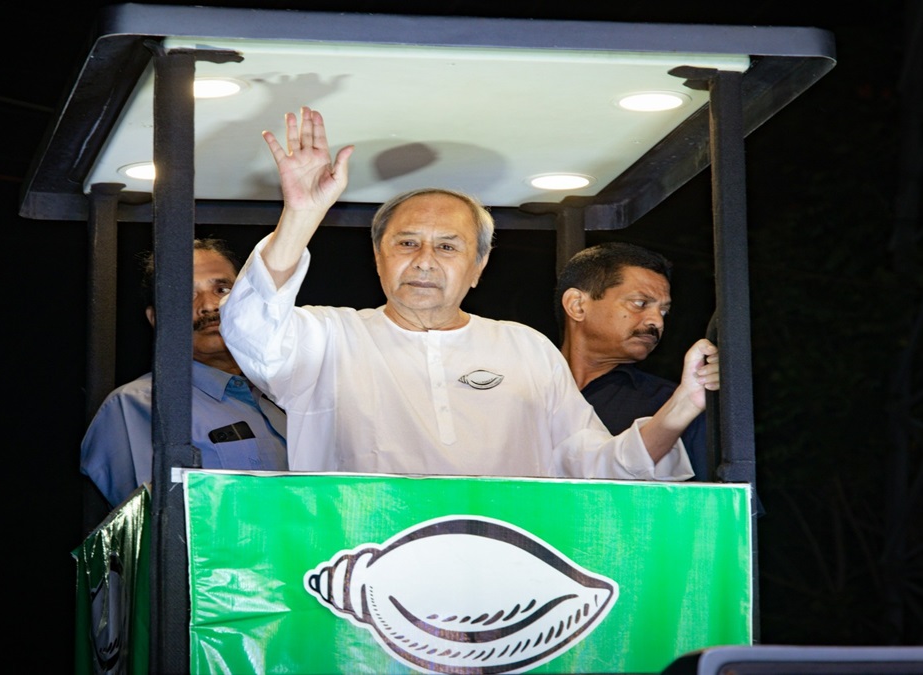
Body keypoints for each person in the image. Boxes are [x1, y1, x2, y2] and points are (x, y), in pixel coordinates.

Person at [217, 106, 718, 480]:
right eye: (406, 243)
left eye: (448, 247)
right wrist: (301, 216)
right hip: (363, 570)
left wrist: (682, 405)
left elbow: (594, 465)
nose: (424, 261)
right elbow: (249, 328)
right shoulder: (328, 337)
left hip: (504, 573)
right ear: (378, 258)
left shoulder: (524, 347)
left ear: (478, 266)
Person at [80, 238, 288, 508]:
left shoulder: (284, 398)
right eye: (186, 294)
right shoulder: (139, 405)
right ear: (156, 319)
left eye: (222, 289)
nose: (209, 306)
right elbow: (157, 522)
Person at [555, 242, 718, 481]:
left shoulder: (673, 402)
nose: (657, 322)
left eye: (663, 311)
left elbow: (721, 500)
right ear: (577, 305)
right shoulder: (525, 388)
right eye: (640, 303)